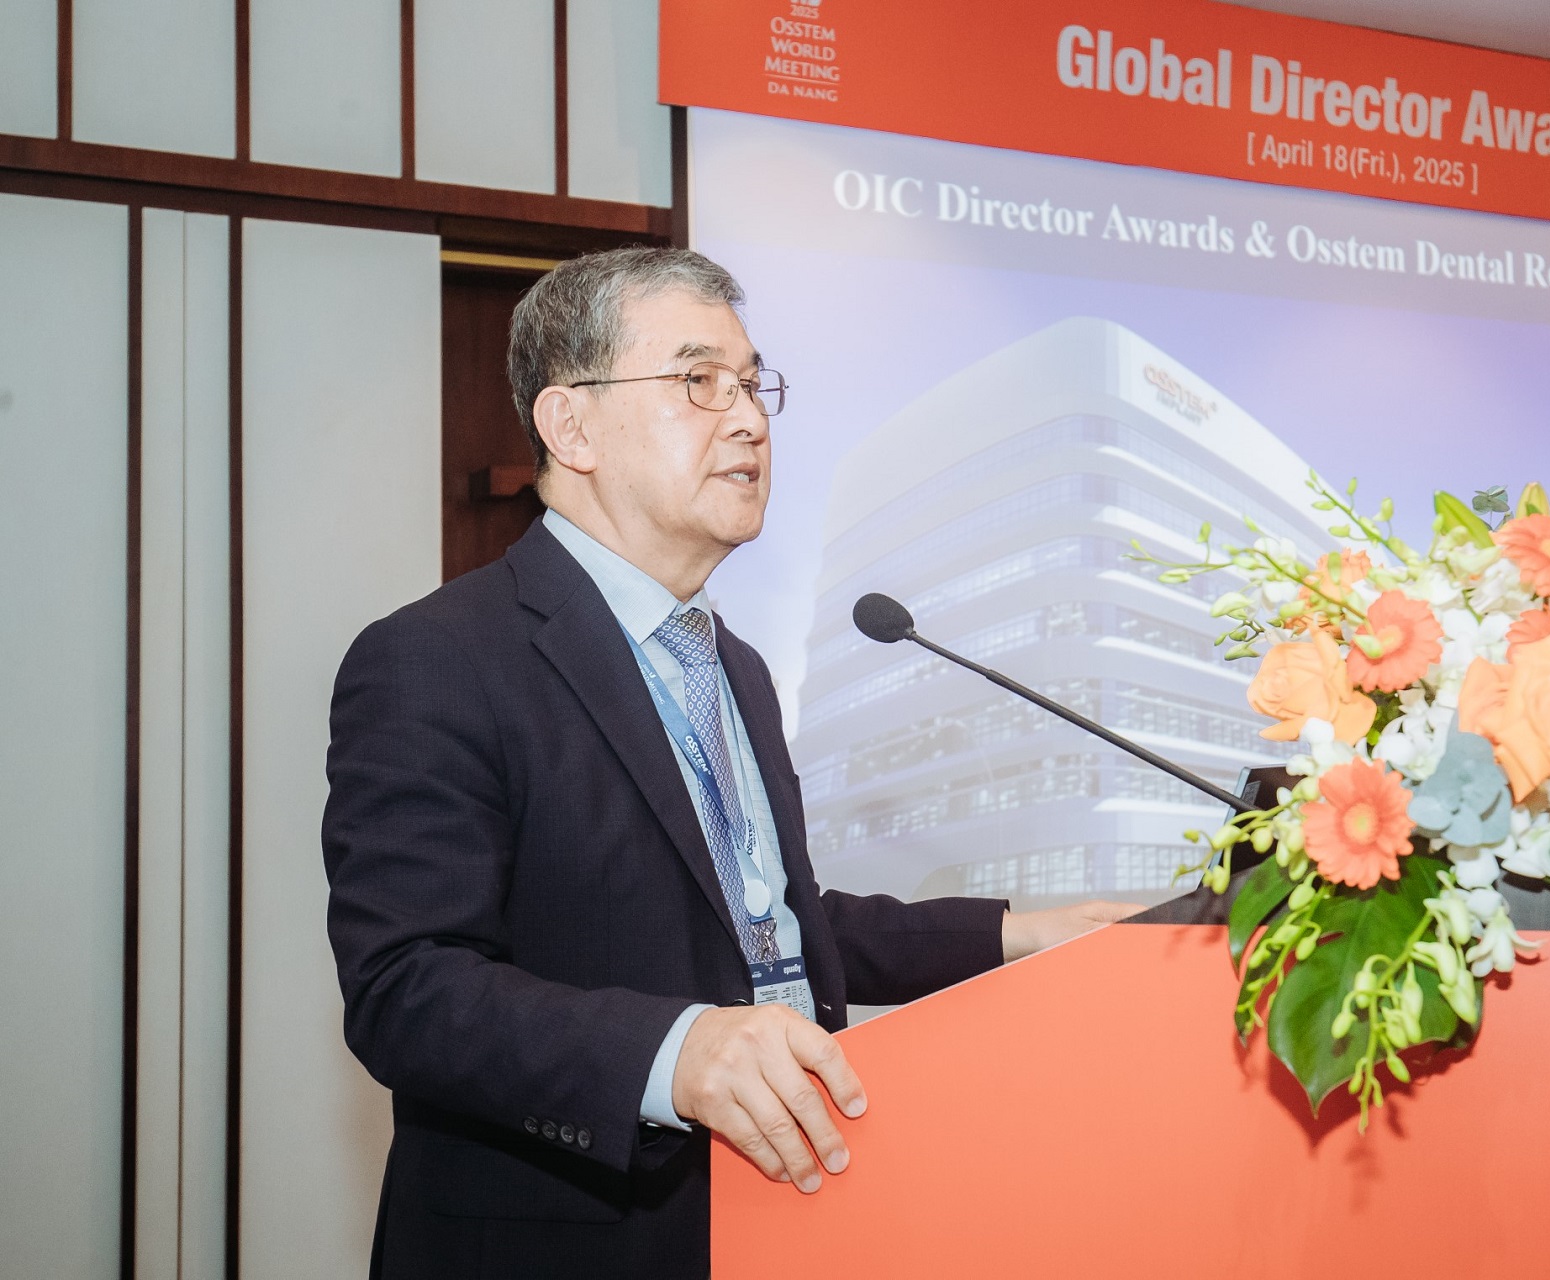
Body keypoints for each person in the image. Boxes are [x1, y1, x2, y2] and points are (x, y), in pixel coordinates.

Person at [322, 247, 1135, 1278]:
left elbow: (771, 927)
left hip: (782, 1216)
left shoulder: (732, 663)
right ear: (571, 427)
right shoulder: (439, 657)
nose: (748, 418)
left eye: (753, 384)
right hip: (573, 1242)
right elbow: (408, 988)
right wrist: (673, 1052)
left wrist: (1022, 934)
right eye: (699, 380)